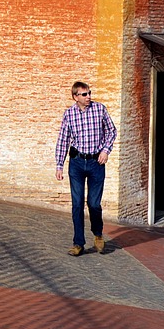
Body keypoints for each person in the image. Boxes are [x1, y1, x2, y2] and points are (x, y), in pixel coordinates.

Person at [55, 82, 116, 256]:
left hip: (96, 162)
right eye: (84, 94)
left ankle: (97, 233)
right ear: (75, 97)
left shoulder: (100, 109)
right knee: (77, 203)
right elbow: (63, 140)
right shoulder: (69, 114)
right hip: (76, 163)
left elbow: (111, 131)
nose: (88, 96)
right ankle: (78, 243)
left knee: (94, 204)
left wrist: (105, 151)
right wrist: (59, 165)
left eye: (89, 93)